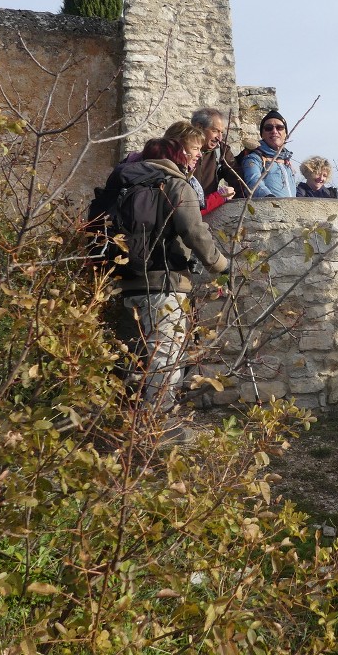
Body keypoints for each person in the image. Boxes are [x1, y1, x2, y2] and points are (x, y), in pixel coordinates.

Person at [108, 136, 230, 445]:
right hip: (164, 281)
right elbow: (194, 230)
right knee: (166, 356)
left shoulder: (125, 181)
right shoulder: (175, 184)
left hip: (129, 280)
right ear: (176, 156)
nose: (194, 160)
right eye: (190, 154)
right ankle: (159, 432)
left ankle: (133, 427)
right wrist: (220, 264)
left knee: (141, 357)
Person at [190, 107, 243, 207]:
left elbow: (238, 180)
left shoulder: (222, 151)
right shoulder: (180, 150)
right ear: (199, 127)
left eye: (221, 132)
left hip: (210, 211)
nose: (219, 138)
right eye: (215, 131)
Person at [240, 110, 297, 198]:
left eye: (279, 127)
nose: (274, 131)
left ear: (285, 134)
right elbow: (253, 181)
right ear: (262, 134)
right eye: (268, 128)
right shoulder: (254, 158)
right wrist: (269, 198)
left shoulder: (286, 161)